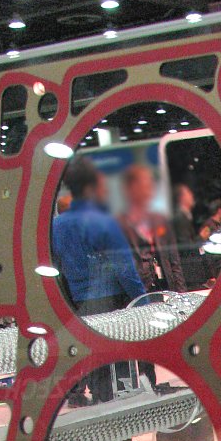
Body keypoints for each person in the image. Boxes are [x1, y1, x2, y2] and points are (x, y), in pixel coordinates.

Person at [51, 154, 145, 414]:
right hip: (114, 306)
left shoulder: (57, 227)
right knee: (120, 375)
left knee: (96, 367)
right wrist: (143, 302)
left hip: (80, 305)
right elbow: (125, 270)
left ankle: (102, 419)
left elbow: (55, 270)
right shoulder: (104, 222)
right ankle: (122, 426)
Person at [118, 165, 186, 294]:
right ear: (130, 189)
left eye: (150, 184)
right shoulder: (120, 224)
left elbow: (174, 260)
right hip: (139, 291)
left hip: (166, 286)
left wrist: (181, 293)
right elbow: (121, 268)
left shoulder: (160, 219)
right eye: (143, 184)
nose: (149, 189)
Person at [171, 183, 206, 290]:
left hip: (191, 271)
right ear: (182, 198)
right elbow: (185, 246)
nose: (192, 196)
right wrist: (201, 237)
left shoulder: (184, 216)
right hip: (189, 271)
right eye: (189, 194)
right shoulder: (180, 218)